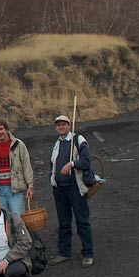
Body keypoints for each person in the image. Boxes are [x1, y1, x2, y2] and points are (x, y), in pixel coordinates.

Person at [49, 114, 95, 267]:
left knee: (82, 220)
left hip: (75, 187)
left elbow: (86, 161)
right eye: (58, 125)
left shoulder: (78, 140)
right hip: (60, 189)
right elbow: (53, 165)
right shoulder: (57, 143)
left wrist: (72, 164)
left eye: (63, 124)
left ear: (69, 125)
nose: (61, 127)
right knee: (63, 222)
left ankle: (88, 253)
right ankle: (64, 252)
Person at [0, 118, 34, 215]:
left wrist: (30, 186)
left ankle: (19, 231)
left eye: (1, 129)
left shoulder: (18, 145)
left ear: (6, 130)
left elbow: (26, 165)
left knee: (18, 218)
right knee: (2, 219)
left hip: (15, 189)